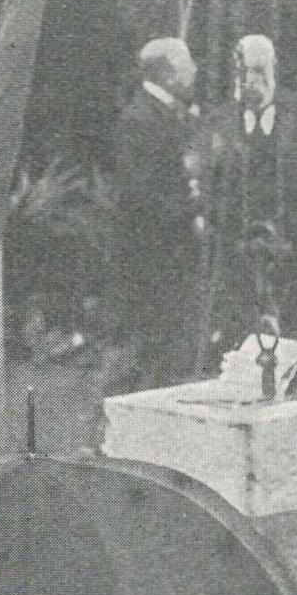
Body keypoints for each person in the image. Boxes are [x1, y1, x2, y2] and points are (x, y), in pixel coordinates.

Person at [202, 33, 297, 351]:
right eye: (246, 71)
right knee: (246, 343)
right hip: (242, 251)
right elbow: (206, 182)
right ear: (235, 74)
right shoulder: (218, 122)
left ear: (275, 69)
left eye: (262, 70)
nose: (254, 80)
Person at [103, 35, 205, 386]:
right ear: (167, 74)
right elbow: (143, 195)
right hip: (150, 258)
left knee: (172, 352)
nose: (195, 70)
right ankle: (115, 430)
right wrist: (197, 209)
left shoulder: (171, 115)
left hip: (173, 255)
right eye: (187, 64)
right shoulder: (139, 120)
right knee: (147, 351)